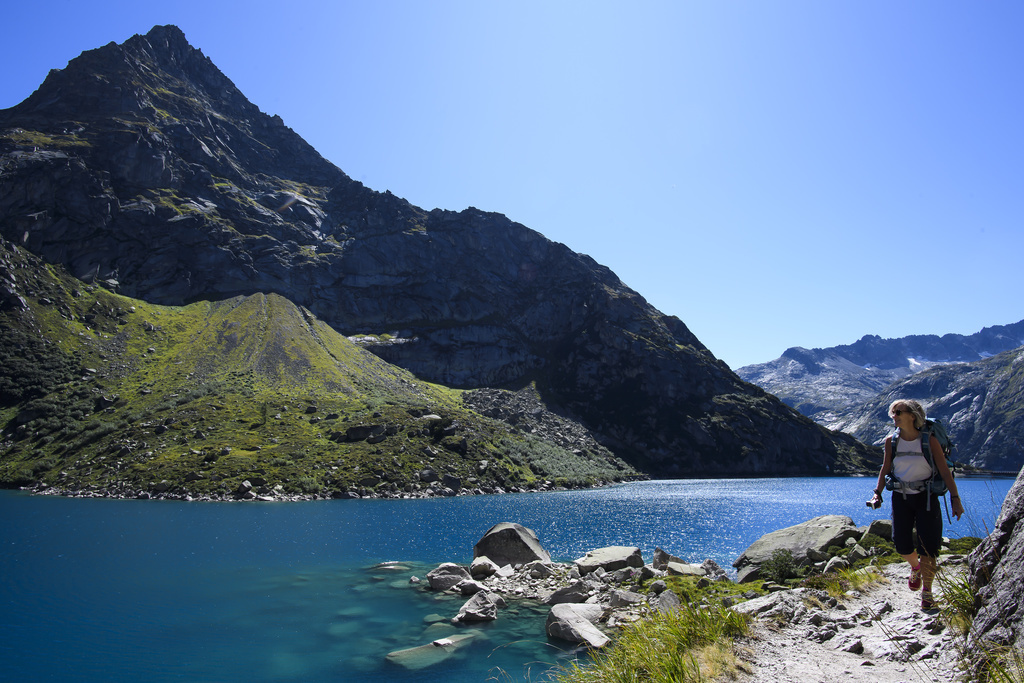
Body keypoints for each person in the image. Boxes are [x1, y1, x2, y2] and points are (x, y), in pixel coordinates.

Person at [867, 399, 964, 611]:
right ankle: (916, 567)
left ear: (913, 415)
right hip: (901, 497)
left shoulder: (929, 441)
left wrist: (955, 499)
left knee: (928, 547)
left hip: (927, 497)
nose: (895, 416)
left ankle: (927, 593)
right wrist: (877, 494)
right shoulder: (891, 441)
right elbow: (885, 469)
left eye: (899, 412)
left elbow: (945, 472)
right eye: (893, 413)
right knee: (901, 545)